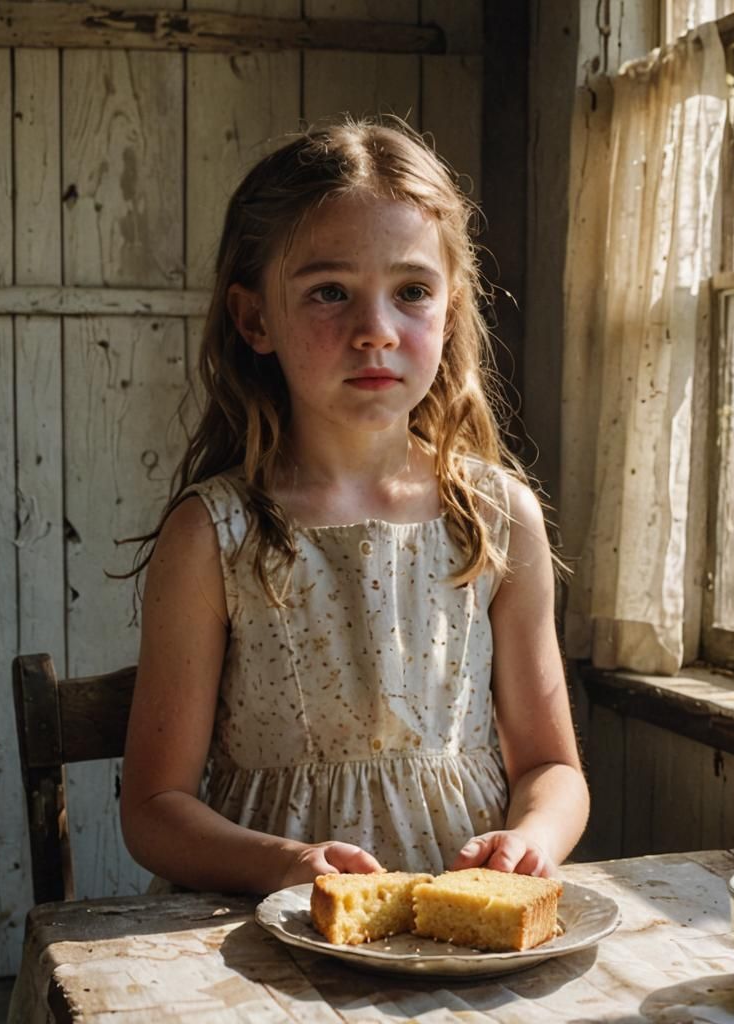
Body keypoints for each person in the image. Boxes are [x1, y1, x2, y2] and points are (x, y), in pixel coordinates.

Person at [120, 116, 589, 895]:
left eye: (411, 292)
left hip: (456, 925)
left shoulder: (499, 517)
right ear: (254, 319)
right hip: (262, 926)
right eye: (330, 293)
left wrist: (532, 840)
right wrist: (287, 865)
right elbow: (154, 808)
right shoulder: (214, 535)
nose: (375, 332)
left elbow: (551, 767)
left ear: (450, 307)